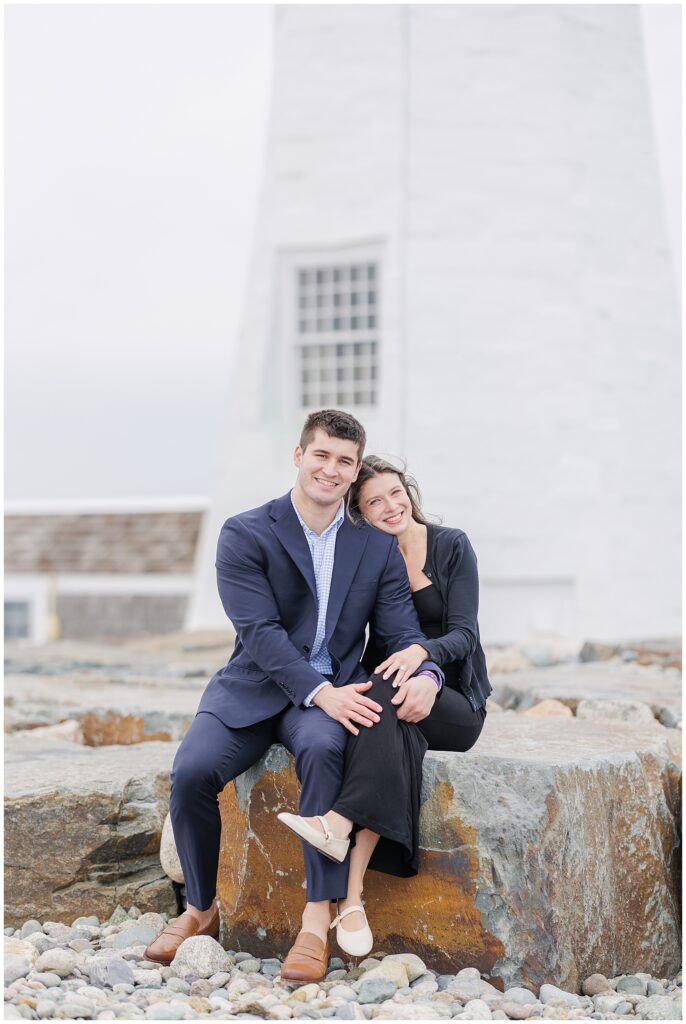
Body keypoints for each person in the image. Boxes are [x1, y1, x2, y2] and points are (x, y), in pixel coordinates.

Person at [144, 413, 444, 982]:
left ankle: (314, 921)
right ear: (299, 455)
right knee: (192, 772)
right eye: (322, 456)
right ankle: (200, 909)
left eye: (344, 462)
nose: (331, 470)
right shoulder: (245, 531)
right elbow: (258, 633)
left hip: (331, 694)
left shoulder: (374, 548)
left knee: (325, 753)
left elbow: (404, 633)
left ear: (355, 473)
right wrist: (320, 692)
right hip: (255, 686)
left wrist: (426, 671)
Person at [278, 455, 492, 957]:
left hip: (456, 700)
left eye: (396, 493)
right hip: (394, 693)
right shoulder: (368, 556)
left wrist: (426, 665)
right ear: (361, 512)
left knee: (378, 707)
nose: (390, 506)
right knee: (383, 730)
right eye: (374, 501)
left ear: (409, 493)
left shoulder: (451, 545)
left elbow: (465, 632)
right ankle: (351, 899)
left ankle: (339, 835)